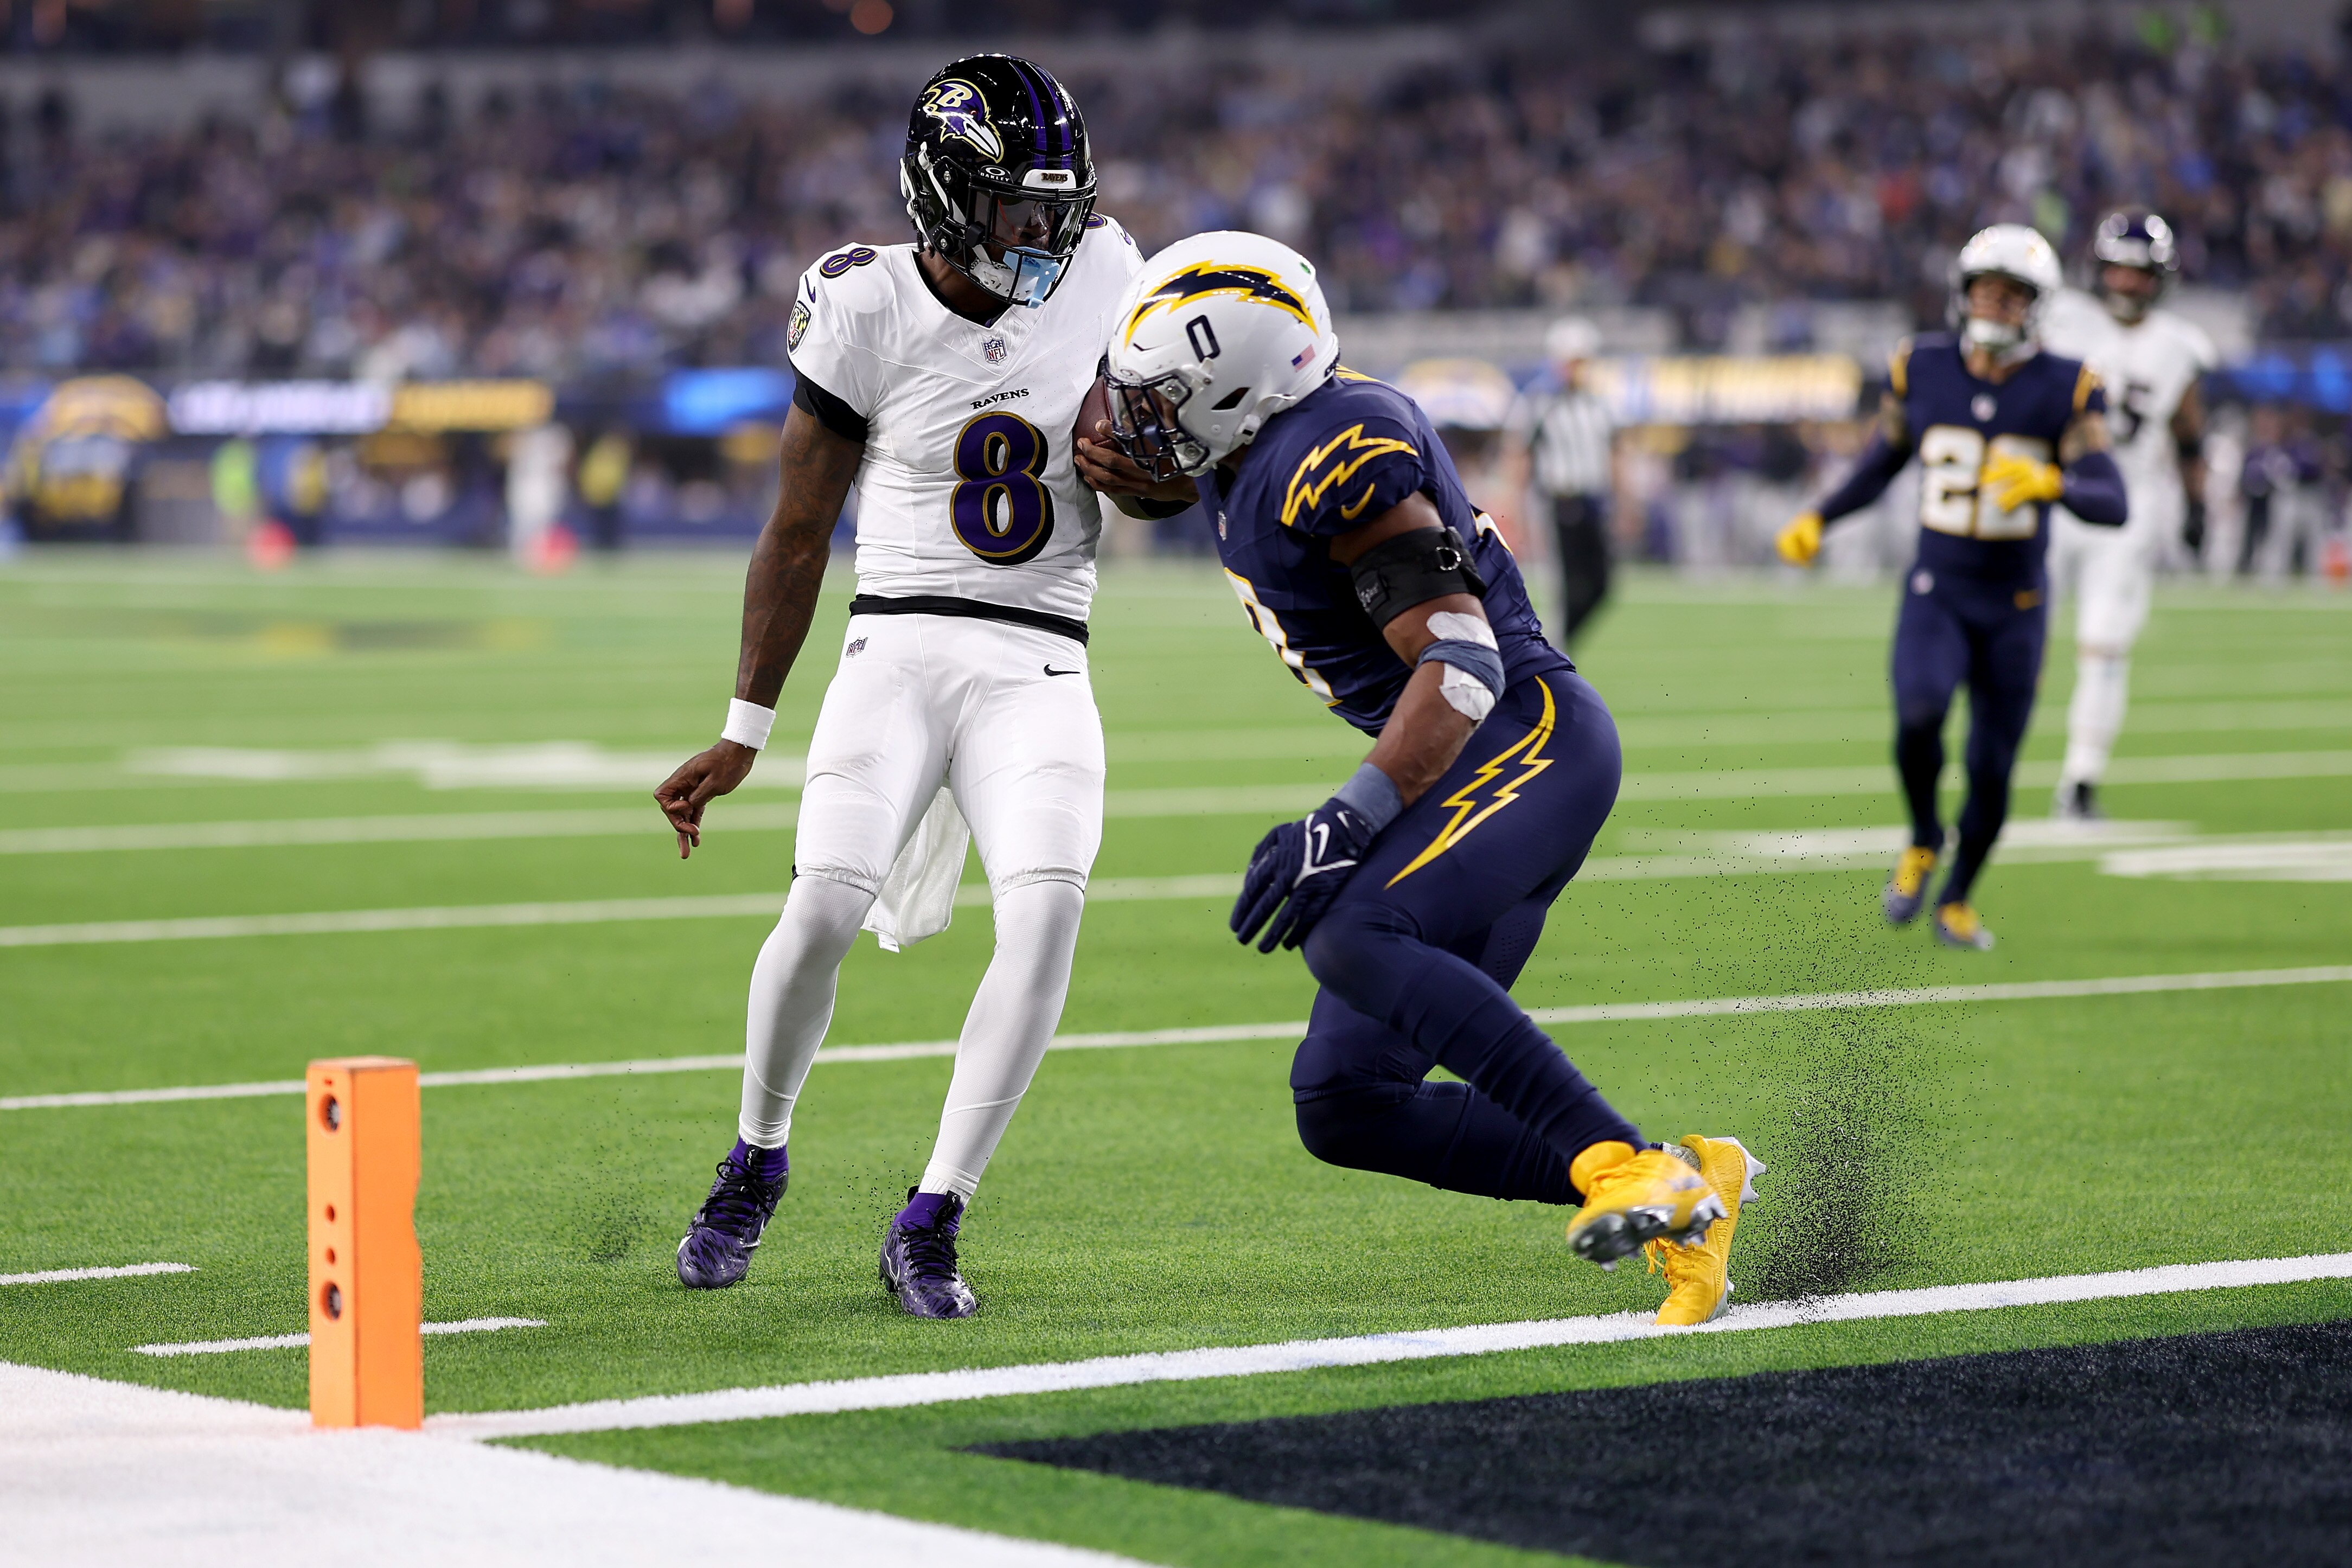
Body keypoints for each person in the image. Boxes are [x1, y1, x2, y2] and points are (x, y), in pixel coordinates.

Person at [1081, 232, 1760, 1328]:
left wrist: (1346, 818)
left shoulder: (1335, 447)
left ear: (1241, 392)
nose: (1141, 424)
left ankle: (1626, 1168)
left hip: (1522, 736)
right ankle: (1690, 1179)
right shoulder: (1262, 443)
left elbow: (1463, 657)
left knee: (1350, 933)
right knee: (1345, 1104)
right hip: (1479, 759)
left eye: (1165, 402)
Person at [652, 55, 1146, 1319]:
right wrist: (743, 727)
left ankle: (934, 1213)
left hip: (1041, 652)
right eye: (1016, 211)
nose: (1045, 236)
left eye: (1058, 208)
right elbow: (797, 531)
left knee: (1046, 915)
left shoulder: (1109, 272)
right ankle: (755, 1158)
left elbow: (1168, 479)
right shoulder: (861, 302)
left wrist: (1148, 472)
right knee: (820, 904)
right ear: (941, 196)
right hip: (900, 643)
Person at [1776, 225, 2127, 950]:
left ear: (2037, 306)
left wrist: (2055, 481)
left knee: (1992, 765)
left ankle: (1959, 896)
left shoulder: (2069, 383)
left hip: (2016, 604)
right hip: (1938, 588)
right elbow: (1883, 459)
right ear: (1963, 293)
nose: (1995, 305)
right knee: (1918, 715)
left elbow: (2112, 497)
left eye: (2011, 294)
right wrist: (1822, 514)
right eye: (1985, 291)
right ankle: (1922, 836)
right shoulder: (1920, 367)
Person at [2038, 212, 2217, 820]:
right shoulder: (2061, 319)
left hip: (2126, 508)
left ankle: (2081, 779)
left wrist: (2197, 505)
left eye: (2139, 274)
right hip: (2054, 491)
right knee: (2014, 635)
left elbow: (2189, 436)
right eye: (2117, 269)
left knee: (2104, 647)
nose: (2126, 283)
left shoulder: (2178, 347)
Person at [1503, 317, 1619, 647]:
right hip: (1556, 502)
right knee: (1561, 589)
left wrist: (1625, 504)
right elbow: (1519, 456)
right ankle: (1555, 657)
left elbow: (1615, 452)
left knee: (1601, 585)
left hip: (1593, 502)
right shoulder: (1539, 402)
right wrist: (1514, 508)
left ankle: (1554, 648)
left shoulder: (1600, 404)